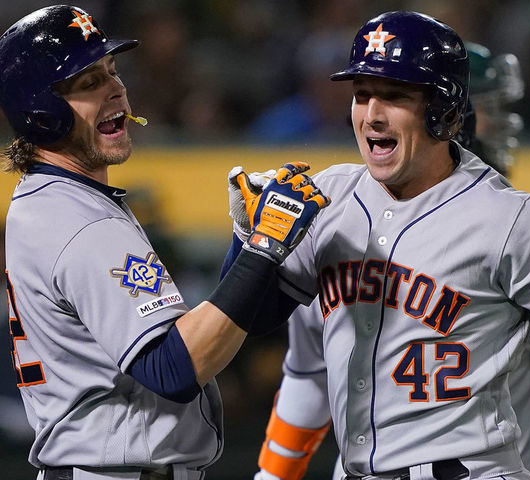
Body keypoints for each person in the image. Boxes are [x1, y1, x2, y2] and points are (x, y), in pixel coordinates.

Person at [226, 10, 530, 480]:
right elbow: (252, 321)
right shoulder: (325, 198)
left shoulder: (511, 217)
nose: (372, 114)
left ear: (443, 109)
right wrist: (250, 244)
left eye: (395, 96)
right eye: (362, 95)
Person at [0, 5, 328, 480]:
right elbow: (172, 369)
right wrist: (264, 247)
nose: (117, 89)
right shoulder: (80, 222)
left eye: (113, 73)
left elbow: (206, 334)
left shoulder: (57, 200)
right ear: (40, 109)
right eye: (89, 82)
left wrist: (246, 244)